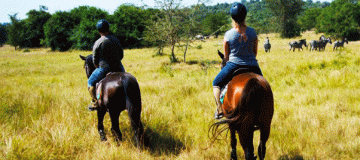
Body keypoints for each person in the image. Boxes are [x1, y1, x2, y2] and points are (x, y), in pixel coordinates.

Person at [212, 2, 263, 119]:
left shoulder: (228, 34)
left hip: (233, 65)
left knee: (216, 83)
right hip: (253, 66)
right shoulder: (253, 32)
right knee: (263, 86)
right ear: (245, 16)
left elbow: (226, 57)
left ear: (232, 17)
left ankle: (220, 110)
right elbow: (255, 53)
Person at [87, 19, 125, 111]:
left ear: (98, 30)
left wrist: (97, 66)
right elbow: (121, 55)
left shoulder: (98, 42)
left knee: (90, 82)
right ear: (108, 28)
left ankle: (95, 102)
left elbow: (95, 58)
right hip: (119, 68)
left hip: (104, 68)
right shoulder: (115, 40)